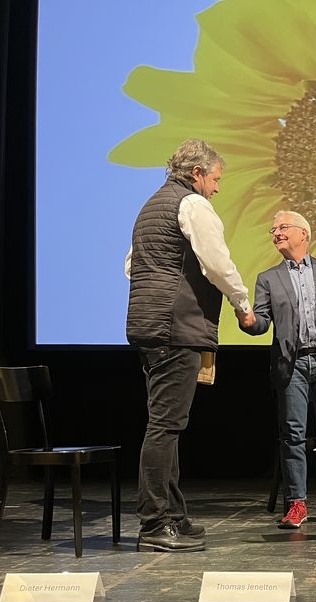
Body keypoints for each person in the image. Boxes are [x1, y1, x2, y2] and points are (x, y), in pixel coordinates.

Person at [126, 138, 256, 553]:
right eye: (216, 178)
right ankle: (154, 523)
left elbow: (133, 265)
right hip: (174, 327)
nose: (218, 188)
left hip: (149, 324)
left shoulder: (153, 204)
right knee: (165, 426)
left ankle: (174, 516)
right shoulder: (193, 205)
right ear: (197, 173)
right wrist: (242, 304)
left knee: (169, 423)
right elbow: (217, 262)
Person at [240, 211, 316, 529]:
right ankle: (297, 504)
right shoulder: (268, 278)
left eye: (282, 228)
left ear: (303, 234)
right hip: (290, 364)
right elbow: (263, 321)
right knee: (292, 435)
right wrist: (251, 323)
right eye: (273, 230)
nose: (276, 233)